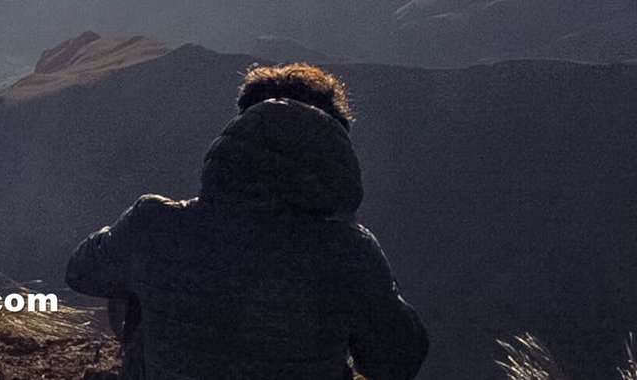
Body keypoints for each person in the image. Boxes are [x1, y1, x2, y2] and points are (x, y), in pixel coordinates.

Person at [66, 63, 427, 379]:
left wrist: (134, 242)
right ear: (334, 148)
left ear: (238, 131)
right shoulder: (352, 253)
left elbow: (81, 271)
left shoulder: (156, 223)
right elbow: (398, 363)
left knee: (130, 281)